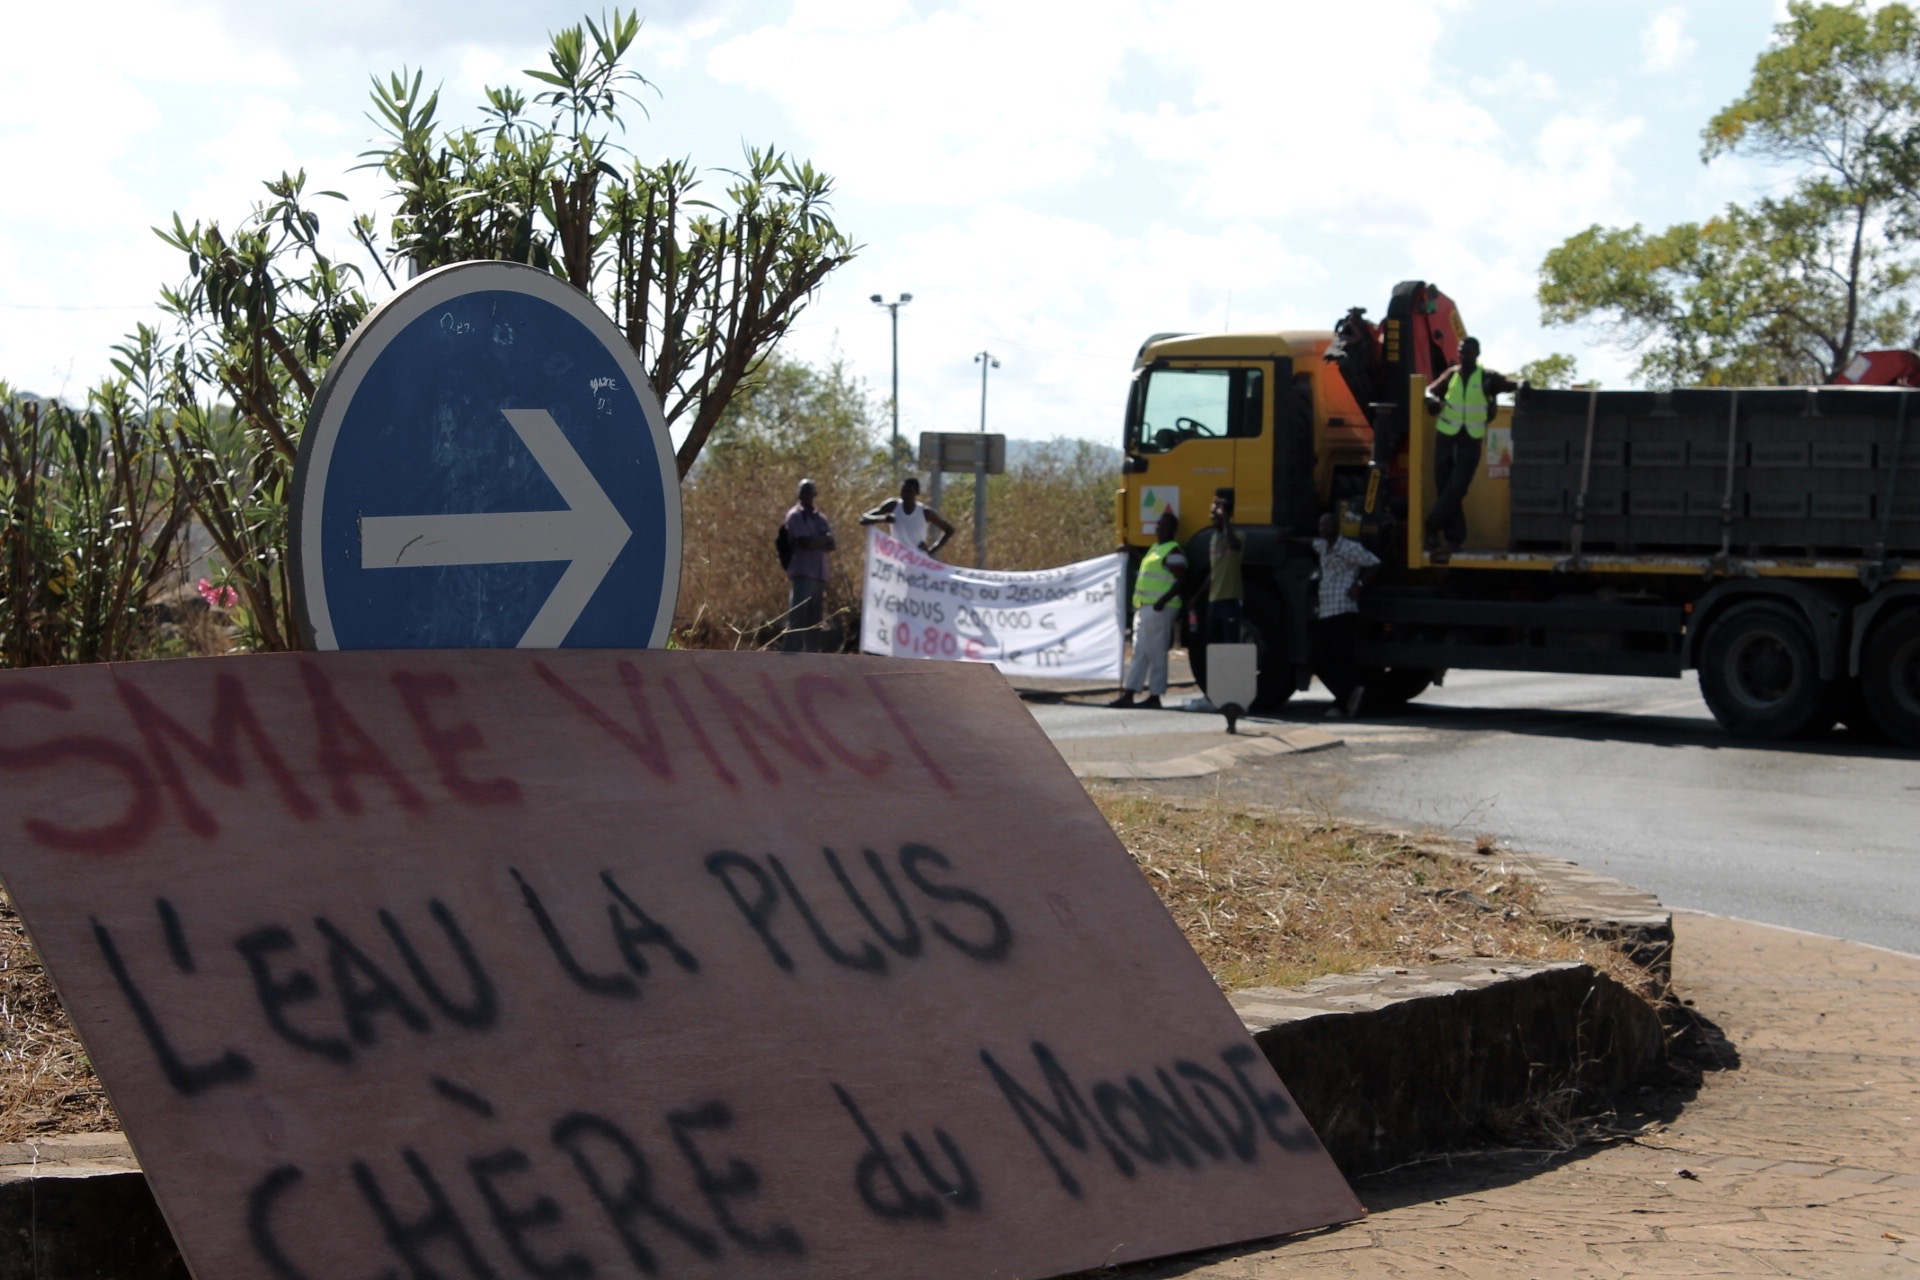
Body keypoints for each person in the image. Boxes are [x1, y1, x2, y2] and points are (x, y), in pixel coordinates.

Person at [1422, 336, 1519, 556]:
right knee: (1444, 487)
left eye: (1467, 353)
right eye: (1460, 352)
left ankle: (1431, 526)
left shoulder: (1487, 377)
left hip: (1471, 439)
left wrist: (1523, 385)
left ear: (1477, 354)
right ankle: (1455, 540)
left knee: (1456, 488)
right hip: (1446, 435)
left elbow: (1510, 384)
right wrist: (1431, 400)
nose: (1463, 356)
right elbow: (1430, 390)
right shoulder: (1452, 374)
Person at [1109, 509, 1188, 709]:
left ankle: (1155, 695)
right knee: (1139, 651)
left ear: (1172, 529)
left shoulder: (1173, 551)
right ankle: (1130, 693)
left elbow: (1182, 580)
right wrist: (1130, 550)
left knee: (1156, 653)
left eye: (1163, 525)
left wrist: (1163, 600)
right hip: (1145, 609)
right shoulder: (1156, 548)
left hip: (1160, 609)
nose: (1158, 528)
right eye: (1158, 525)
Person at [1311, 510, 1380, 720]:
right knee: (1319, 659)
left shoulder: (1349, 547)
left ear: (1337, 527)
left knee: (1341, 658)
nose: (1324, 529)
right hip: (1326, 610)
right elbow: (1308, 542)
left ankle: (1343, 702)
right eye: (1321, 525)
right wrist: (1286, 537)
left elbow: (1374, 563)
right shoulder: (1323, 546)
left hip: (1343, 608)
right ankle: (1350, 693)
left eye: (1328, 525)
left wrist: (1359, 585)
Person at [781, 478, 835, 653]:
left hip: (819, 574)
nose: (807, 496)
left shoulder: (820, 517)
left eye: (810, 492)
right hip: (803, 573)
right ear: (799, 494)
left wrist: (817, 541)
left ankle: (812, 658)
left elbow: (832, 544)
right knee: (797, 618)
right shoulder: (795, 515)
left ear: (814, 494)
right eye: (804, 492)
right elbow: (804, 542)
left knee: (814, 621)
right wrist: (822, 540)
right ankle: (790, 656)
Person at [859, 476, 953, 555]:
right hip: (897, 557)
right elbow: (863, 518)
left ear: (916, 493)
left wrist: (931, 550)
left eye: (908, 491)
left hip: (917, 560)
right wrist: (882, 518)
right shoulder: (893, 506)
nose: (905, 494)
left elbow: (949, 530)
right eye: (903, 491)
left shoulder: (925, 512)